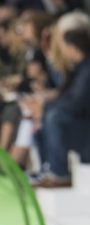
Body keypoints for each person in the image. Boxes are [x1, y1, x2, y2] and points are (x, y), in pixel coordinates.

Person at [33, 24, 90, 186]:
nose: (62, 51)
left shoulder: (87, 70)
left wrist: (48, 106)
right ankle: (48, 168)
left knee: (53, 116)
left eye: (64, 47)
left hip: (84, 121)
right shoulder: (78, 68)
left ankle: (60, 173)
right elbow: (67, 95)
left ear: (72, 47)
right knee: (45, 115)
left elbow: (77, 103)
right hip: (78, 117)